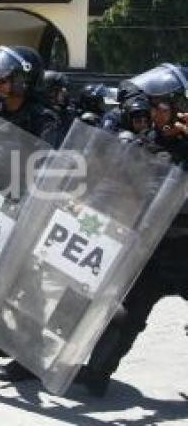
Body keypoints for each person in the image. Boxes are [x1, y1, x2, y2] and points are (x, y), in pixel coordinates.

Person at [74, 63, 188, 397]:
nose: (152, 112)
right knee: (125, 314)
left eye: (160, 105)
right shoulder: (147, 143)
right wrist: (87, 204)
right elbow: (117, 182)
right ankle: (96, 374)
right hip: (156, 248)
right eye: (151, 105)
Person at [0, 45, 61, 380]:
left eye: (7, 79)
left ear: (25, 80)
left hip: (24, 209)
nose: (0, 84)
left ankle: (30, 351)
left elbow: (48, 166)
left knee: (24, 283)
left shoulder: (44, 119)